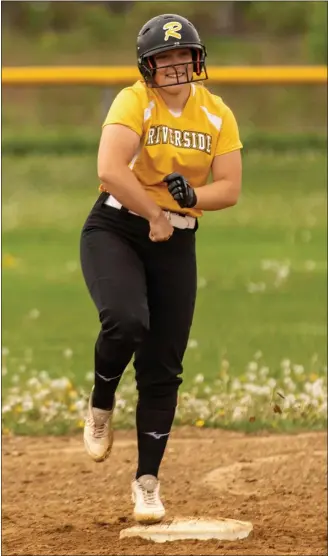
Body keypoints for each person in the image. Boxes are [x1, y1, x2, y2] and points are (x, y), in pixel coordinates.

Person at [80, 13, 242, 524]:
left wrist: (193, 196)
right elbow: (109, 169)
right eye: (163, 58)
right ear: (147, 67)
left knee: (163, 364)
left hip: (176, 240)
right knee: (127, 320)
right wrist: (154, 213)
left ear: (197, 60)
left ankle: (147, 482)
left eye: (182, 55)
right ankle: (101, 401)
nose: (174, 65)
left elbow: (230, 188)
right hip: (118, 226)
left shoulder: (216, 114)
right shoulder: (135, 100)